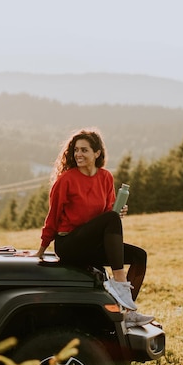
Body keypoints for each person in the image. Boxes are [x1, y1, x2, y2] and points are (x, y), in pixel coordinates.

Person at [34, 127, 154, 328]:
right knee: (110, 218)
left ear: (97, 153)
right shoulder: (66, 180)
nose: (78, 154)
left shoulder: (106, 177)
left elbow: (107, 214)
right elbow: (53, 217)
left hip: (93, 244)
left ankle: (129, 313)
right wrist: (41, 250)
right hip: (70, 244)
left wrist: (117, 214)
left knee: (139, 256)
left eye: (84, 150)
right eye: (76, 150)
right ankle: (119, 285)